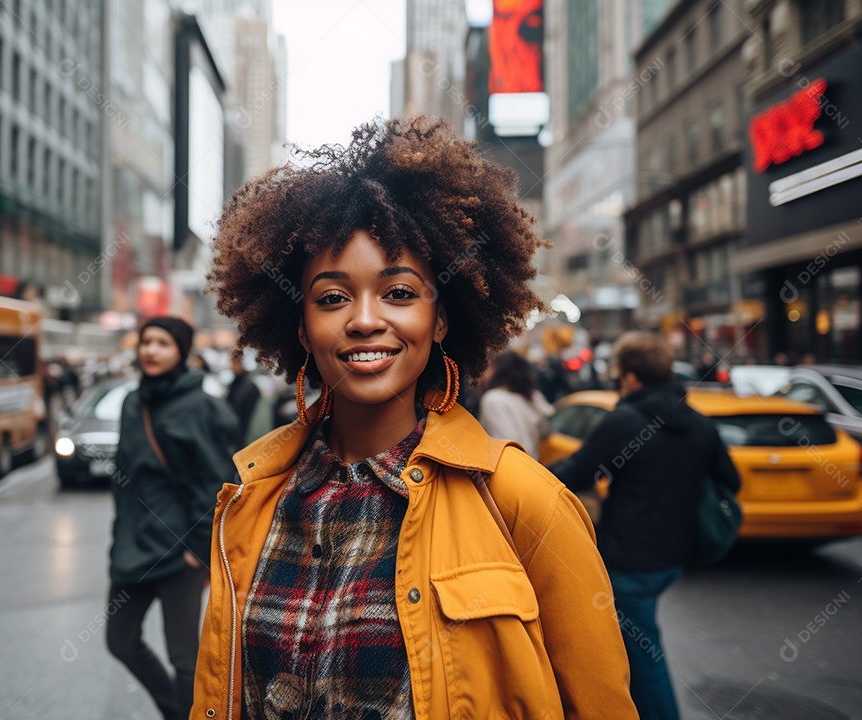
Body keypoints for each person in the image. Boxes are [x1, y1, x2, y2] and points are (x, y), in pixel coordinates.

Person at [193, 116, 637, 719]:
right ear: (301, 326)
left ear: (442, 319)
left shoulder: (524, 502)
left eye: (399, 293)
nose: (365, 319)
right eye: (332, 297)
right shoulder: (250, 501)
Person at [549, 331, 741, 720]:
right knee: (630, 646)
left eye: (620, 375)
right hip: (673, 557)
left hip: (628, 560)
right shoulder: (701, 425)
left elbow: (574, 473)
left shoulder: (626, 421)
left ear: (632, 377)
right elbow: (731, 481)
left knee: (642, 656)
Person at [106, 316, 241, 720]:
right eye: (146, 342)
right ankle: (176, 713)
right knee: (121, 640)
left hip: (178, 550)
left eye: (162, 343)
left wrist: (197, 552)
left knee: (184, 659)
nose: (150, 350)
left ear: (181, 351)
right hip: (132, 548)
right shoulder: (134, 403)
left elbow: (215, 485)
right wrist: (120, 535)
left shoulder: (200, 408)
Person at [478, 350, 554, 460]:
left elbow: (506, 445)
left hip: (509, 469)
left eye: (490, 365)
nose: (484, 371)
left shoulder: (493, 399)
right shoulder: (533, 396)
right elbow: (545, 432)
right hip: (533, 466)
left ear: (500, 369)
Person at [226, 351, 261, 438]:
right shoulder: (235, 383)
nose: (232, 365)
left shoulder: (250, 387)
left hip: (242, 434)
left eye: (236, 362)